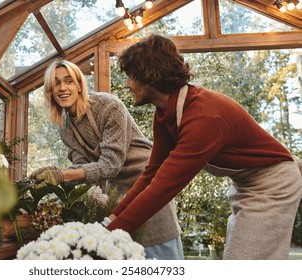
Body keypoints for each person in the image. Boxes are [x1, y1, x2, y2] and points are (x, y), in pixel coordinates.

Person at [103, 34, 302, 260]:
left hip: (273, 183)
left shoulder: (204, 116)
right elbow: (151, 174)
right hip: (246, 184)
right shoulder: (164, 114)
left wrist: (107, 237)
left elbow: (161, 189)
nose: (128, 84)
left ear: (148, 74)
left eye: (130, 75)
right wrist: (107, 221)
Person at [30, 59, 184, 260]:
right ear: (50, 90)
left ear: (79, 85)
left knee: (161, 253)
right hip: (114, 194)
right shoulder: (66, 127)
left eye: (68, 81)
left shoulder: (108, 105)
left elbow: (110, 165)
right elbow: (83, 169)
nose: (63, 88)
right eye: (56, 83)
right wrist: (54, 172)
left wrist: (62, 175)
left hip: (145, 183)